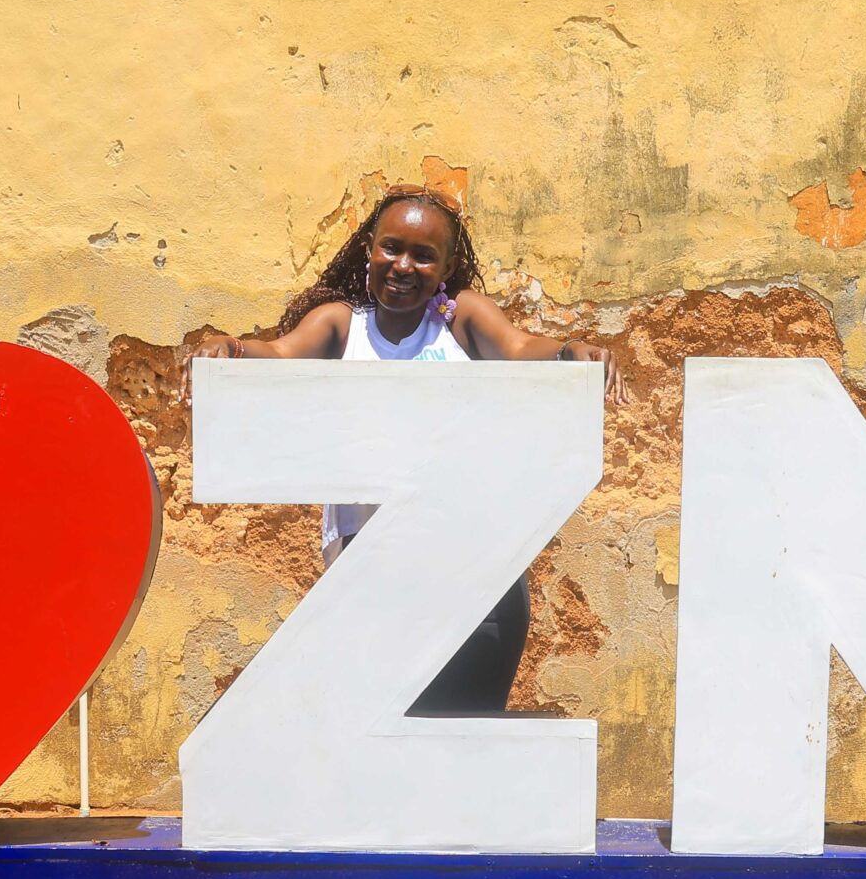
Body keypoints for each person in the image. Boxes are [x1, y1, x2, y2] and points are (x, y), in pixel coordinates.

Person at [188, 185, 626, 713]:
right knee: (372, 723)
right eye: (391, 248)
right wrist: (232, 348)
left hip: (472, 569)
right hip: (369, 564)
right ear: (369, 250)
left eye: (423, 255)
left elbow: (518, 348)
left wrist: (569, 352)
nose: (403, 266)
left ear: (446, 268)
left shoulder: (459, 320)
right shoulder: (340, 324)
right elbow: (280, 353)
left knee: (460, 729)